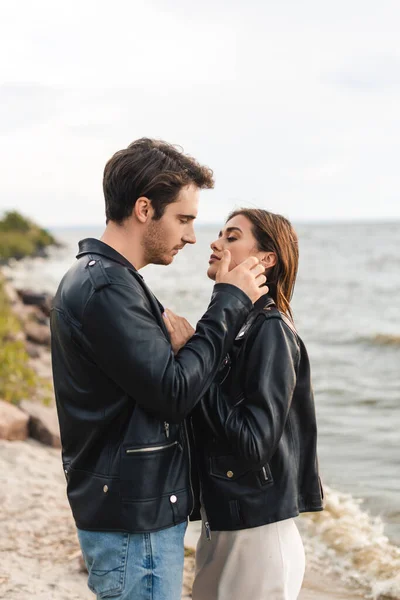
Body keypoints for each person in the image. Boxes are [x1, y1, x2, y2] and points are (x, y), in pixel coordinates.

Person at [50, 139, 268, 600]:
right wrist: (228, 302)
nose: (191, 236)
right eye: (184, 219)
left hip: (132, 512)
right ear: (145, 209)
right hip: (134, 522)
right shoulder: (106, 287)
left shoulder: (111, 280)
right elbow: (172, 393)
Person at [188, 208, 324, 600]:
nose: (215, 243)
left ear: (266, 259)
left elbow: (253, 444)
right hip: (227, 524)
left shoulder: (270, 331)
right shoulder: (236, 330)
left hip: (258, 537)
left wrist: (193, 365)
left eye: (231, 237)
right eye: (220, 235)